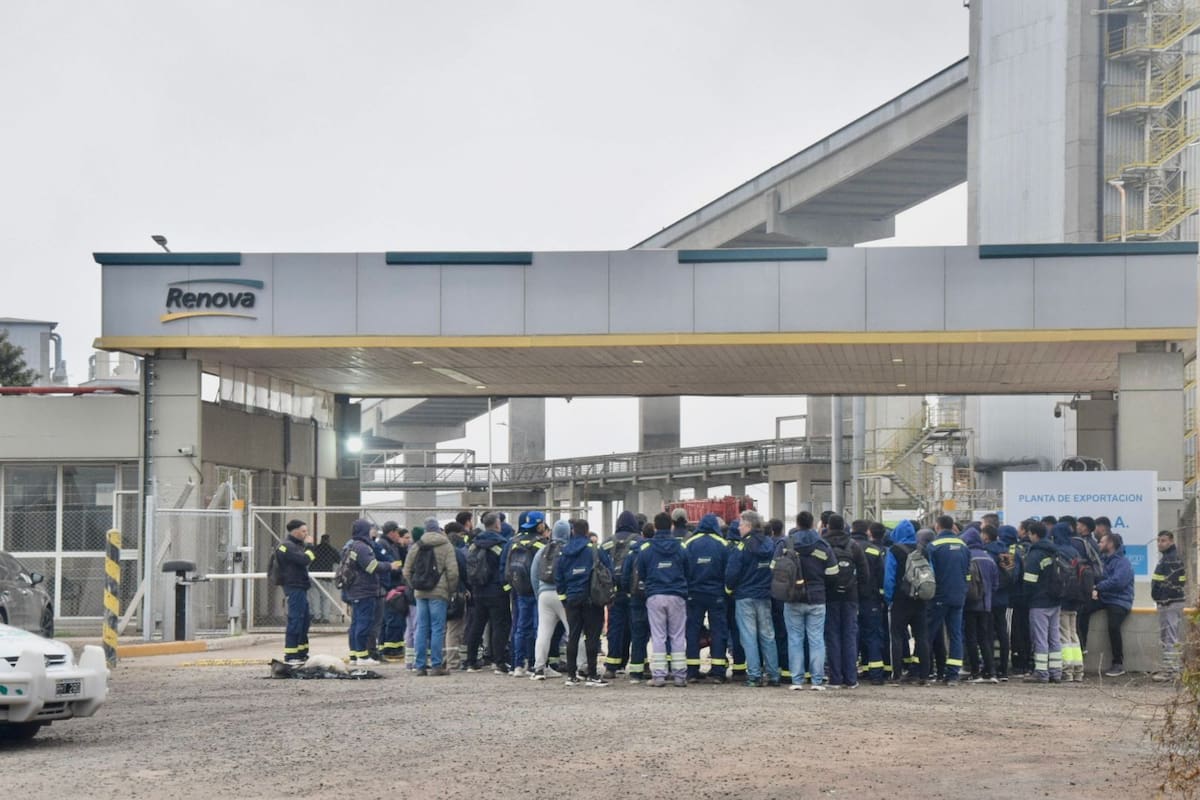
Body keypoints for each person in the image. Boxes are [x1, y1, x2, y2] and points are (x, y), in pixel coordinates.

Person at [779, 512, 837, 691]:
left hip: (792, 598)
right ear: (812, 524)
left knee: (795, 639)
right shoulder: (822, 544)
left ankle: (797, 680)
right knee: (816, 639)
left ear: (797, 523)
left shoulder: (786, 544)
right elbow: (833, 572)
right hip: (817, 598)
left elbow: (775, 569)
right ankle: (817, 680)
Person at [553, 518, 613, 686]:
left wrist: (564, 600)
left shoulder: (564, 552)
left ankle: (571, 676)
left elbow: (558, 577)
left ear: (573, 531)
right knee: (592, 637)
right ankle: (592, 675)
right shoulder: (594, 549)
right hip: (592, 600)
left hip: (572, 600)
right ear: (587, 531)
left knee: (573, 636)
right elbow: (608, 570)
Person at [725, 510, 780, 687]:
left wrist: (729, 589)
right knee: (768, 635)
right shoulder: (770, 544)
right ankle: (773, 675)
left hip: (745, 596)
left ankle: (755, 676)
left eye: (741, 524)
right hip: (765, 595)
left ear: (748, 525)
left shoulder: (742, 546)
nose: (739, 528)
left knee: (748, 637)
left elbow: (732, 572)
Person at [638, 512, 691, 687]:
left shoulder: (646, 548)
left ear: (655, 526)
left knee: (658, 636)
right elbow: (688, 570)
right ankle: (680, 676)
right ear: (671, 526)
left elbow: (642, 572)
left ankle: (659, 676)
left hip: (655, 595)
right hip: (677, 595)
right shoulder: (681, 547)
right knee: (677, 636)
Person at [400, 517, 458, 676]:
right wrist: (450, 590)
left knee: (421, 628)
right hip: (439, 593)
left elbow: (406, 570)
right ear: (439, 529)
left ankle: (420, 666)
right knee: (438, 628)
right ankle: (436, 665)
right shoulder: (446, 546)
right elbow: (453, 572)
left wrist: (415, 585)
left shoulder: (417, 546)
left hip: (420, 592)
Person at [344, 518, 401, 666]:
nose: (372, 532)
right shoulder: (362, 547)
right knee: (364, 623)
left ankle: (356, 655)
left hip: (358, 590)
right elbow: (371, 566)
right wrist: (389, 566)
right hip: (364, 591)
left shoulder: (353, 545)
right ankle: (362, 656)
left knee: (357, 623)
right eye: (370, 529)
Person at [822, 514, 869, 689]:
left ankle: (835, 678)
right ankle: (851, 679)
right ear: (844, 526)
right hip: (850, 597)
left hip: (830, 597)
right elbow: (865, 573)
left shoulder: (823, 544)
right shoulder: (854, 546)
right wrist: (858, 593)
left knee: (832, 636)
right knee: (849, 636)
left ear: (827, 526)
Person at [464, 512, 512, 674]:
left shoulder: (474, 544)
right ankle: (498, 662)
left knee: (477, 625)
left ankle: (471, 661)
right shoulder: (501, 544)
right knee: (500, 625)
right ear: (498, 524)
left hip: (478, 590)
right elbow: (505, 568)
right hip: (497, 591)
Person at [883, 521, 931, 685]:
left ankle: (896, 674)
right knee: (922, 637)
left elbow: (889, 577)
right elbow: (930, 574)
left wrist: (889, 598)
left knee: (896, 636)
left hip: (900, 599)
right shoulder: (923, 550)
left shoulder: (894, 550)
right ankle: (924, 674)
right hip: (920, 599)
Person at [684, 514, 730, 683]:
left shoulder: (689, 544)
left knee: (692, 631)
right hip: (716, 595)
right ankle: (718, 672)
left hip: (693, 594)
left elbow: (684, 569)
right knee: (719, 631)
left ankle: (692, 671)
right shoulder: (722, 544)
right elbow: (728, 571)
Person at [926, 515, 971, 686]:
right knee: (956, 634)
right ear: (952, 527)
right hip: (958, 596)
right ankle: (953, 674)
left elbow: (930, 574)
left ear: (937, 527)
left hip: (939, 596)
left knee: (928, 633)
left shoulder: (934, 546)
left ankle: (924, 670)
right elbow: (967, 573)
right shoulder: (964, 546)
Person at [530, 520, 577, 680]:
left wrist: (539, 594)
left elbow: (534, 575)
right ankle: (583, 666)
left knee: (543, 633)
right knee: (575, 631)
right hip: (564, 595)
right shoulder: (570, 550)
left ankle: (539, 669)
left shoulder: (542, 551)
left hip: (544, 595)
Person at [502, 511, 546, 677]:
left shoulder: (514, 542)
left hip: (519, 590)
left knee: (520, 627)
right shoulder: (542, 544)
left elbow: (506, 570)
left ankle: (518, 665)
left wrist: (513, 587)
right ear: (539, 524)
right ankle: (534, 664)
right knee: (537, 628)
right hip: (536, 592)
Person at [601, 510, 641, 678]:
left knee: (615, 629)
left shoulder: (607, 543)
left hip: (613, 593)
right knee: (637, 628)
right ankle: (638, 665)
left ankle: (612, 665)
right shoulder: (639, 541)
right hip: (633, 592)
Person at [1022, 520, 1061, 684]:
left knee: (1040, 638)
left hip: (1039, 601)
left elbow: (1029, 581)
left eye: (1029, 534)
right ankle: (1056, 672)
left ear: (1034, 535)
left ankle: (1041, 672)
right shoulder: (1054, 551)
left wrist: (1026, 597)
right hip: (1055, 600)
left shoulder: (1035, 553)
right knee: (1054, 637)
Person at [850, 518, 887, 685]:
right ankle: (876, 674)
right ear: (867, 532)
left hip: (849, 599)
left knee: (852, 636)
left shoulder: (847, 547)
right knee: (873, 636)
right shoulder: (874, 550)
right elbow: (881, 577)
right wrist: (880, 597)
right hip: (871, 600)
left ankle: (850, 673)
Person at [1093, 532, 1134, 678]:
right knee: (1083, 610)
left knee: (1113, 626)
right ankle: (1082, 647)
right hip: (1105, 598)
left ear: (1110, 544)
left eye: (1102, 542)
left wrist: (1098, 587)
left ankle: (1118, 663)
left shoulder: (1122, 562)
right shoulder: (1103, 560)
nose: (1099, 544)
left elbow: (1118, 582)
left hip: (1119, 600)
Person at [963, 526, 1000, 683]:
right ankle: (990, 671)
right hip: (987, 605)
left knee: (971, 638)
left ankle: (975, 671)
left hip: (971, 604)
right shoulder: (989, 557)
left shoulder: (967, 556)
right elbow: (995, 584)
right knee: (985, 638)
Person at [1151, 530, 1188, 681]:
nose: (1160, 543)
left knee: (1170, 637)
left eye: (1164, 540)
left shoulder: (1171, 559)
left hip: (1170, 603)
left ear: (1171, 541)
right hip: (1169, 602)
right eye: (1159, 540)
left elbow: (1172, 583)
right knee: (1167, 636)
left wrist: (1163, 599)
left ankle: (1171, 672)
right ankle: (1171, 669)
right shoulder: (1168, 558)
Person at [277, 519, 315, 664]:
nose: (306, 534)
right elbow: (305, 560)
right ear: (295, 531)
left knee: (304, 621)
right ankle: (291, 655)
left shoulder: (296, 545)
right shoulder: (287, 547)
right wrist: (310, 547)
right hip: (294, 587)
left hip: (300, 586)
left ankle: (301, 652)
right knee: (296, 620)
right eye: (304, 531)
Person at [984, 525, 1017, 680]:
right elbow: (1012, 575)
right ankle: (1004, 668)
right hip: (1004, 598)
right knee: (1003, 633)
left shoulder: (988, 553)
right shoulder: (1006, 552)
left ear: (986, 536)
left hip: (990, 597)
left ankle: (991, 668)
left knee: (988, 633)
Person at [376, 522, 408, 661]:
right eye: (397, 532)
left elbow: (400, 563)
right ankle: (391, 648)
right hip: (391, 587)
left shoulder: (393, 546)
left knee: (390, 619)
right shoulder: (383, 545)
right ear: (391, 532)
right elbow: (391, 565)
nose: (399, 536)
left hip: (394, 585)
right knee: (393, 619)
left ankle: (388, 646)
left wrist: (402, 547)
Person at [1073, 515, 1103, 654]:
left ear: (1085, 527)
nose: (1077, 527)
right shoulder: (1086, 542)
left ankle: (1082, 647)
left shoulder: (1087, 544)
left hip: (1088, 585)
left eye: (1079, 525)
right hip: (1088, 585)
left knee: (1081, 618)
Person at [442, 521, 470, 670]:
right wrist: (466, 588)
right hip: (454, 594)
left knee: (441, 628)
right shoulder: (456, 552)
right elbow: (463, 573)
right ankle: (453, 662)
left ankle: (441, 660)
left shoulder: (437, 551)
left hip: (437, 594)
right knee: (454, 628)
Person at [1008, 520, 1034, 677]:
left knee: (1015, 630)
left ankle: (1018, 665)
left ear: (1024, 531)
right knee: (1029, 630)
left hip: (1015, 596)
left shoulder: (1014, 549)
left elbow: (1013, 574)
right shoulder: (1035, 549)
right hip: (1032, 596)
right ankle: (1029, 663)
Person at [308, 533, 340, 623]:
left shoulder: (315, 549)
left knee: (315, 597)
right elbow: (338, 560)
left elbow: (309, 559)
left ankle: (316, 616)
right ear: (329, 540)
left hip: (314, 576)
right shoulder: (332, 550)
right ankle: (325, 617)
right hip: (327, 576)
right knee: (326, 598)